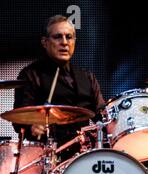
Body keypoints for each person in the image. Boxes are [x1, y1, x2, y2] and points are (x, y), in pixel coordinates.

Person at [14, 15, 104, 160]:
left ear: (74, 41)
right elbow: (19, 118)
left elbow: (103, 116)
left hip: (84, 156)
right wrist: (32, 126)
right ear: (45, 42)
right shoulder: (31, 75)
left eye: (69, 37)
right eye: (57, 37)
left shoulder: (87, 77)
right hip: (47, 156)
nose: (64, 42)